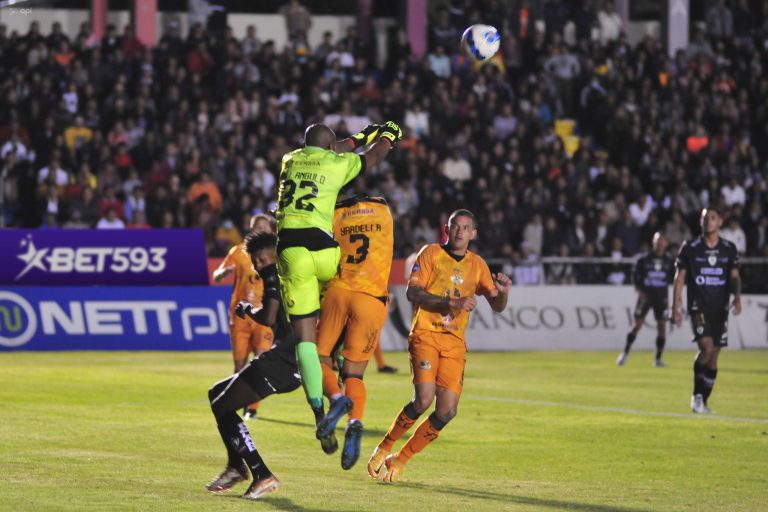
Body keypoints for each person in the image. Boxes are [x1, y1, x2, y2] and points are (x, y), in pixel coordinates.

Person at [274, 122, 402, 440]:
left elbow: (331, 147)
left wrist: (358, 137)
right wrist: (386, 136)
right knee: (339, 286)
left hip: (292, 248)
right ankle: (346, 365)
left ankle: (323, 406)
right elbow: (373, 157)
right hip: (328, 256)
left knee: (307, 342)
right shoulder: (379, 209)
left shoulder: (289, 159)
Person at [367, 209, 512, 483]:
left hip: (454, 343)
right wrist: (452, 303)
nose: (459, 231)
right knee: (423, 399)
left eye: (465, 227)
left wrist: (503, 294)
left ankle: (400, 459)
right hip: (426, 334)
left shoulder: (478, 265)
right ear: (448, 228)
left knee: (447, 411)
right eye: (455, 226)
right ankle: (384, 445)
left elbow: (497, 306)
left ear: (473, 233)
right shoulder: (431, 253)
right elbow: (413, 292)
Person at [206, 231, 300, 500]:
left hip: (282, 361)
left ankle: (260, 473)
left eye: (260, 259)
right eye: (256, 261)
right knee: (216, 395)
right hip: (292, 358)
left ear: (272, 254)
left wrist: (247, 309)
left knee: (222, 405)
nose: (258, 266)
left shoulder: (272, 273)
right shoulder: (295, 271)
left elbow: (269, 316)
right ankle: (236, 465)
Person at [314, 195, 394, 470]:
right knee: (354, 374)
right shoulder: (384, 212)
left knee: (318, 358)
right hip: (371, 298)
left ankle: (337, 399)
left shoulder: (335, 215)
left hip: (338, 291)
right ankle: (355, 421)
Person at [672, 207, 741, 414]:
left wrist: (737, 298)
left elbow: (735, 276)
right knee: (707, 349)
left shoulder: (729, 248)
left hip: (720, 309)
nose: (708, 222)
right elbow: (680, 278)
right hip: (698, 306)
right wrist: (675, 306)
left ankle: (704, 400)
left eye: (712, 218)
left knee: (715, 355)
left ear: (720, 221)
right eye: (704, 218)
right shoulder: (690, 248)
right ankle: (696, 396)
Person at [212, 214, 276, 420]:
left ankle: (252, 408)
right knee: (240, 365)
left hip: (264, 314)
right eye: (259, 227)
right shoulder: (238, 252)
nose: (262, 230)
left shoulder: (276, 251)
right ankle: (234, 404)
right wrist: (222, 273)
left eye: (266, 227)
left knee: (259, 362)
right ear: (252, 229)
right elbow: (218, 272)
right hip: (240, 316)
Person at [617, 232, 675, 367]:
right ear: (652, 242)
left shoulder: (669, 260)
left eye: (661, 240)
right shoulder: (644, 259)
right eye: (657, 240)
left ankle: (658, 359)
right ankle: (624, 353)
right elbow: (636, 276)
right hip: (646, 296)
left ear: (666, 243)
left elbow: (674, 277)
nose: (659, 243)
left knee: (662, 327)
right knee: (637, 325)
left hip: (661, 297)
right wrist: (639, 289)